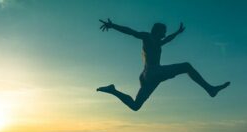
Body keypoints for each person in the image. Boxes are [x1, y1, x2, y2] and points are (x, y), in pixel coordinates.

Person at [97, 19, 230, 111]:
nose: (164, 34)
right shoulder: (147, 37)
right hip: (154, 72)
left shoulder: (157, 42)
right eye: (163, 31)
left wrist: (177, 33)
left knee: (136, 106)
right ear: (157, 30)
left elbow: (167, 39)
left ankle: (112, 90)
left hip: (145, 75)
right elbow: (131, 32)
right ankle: (210, 89)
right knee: (187, 66)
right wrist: (113, 25)